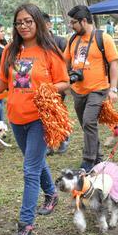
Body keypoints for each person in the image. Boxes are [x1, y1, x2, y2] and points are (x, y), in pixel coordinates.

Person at [0, 4, 69, 235]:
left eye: (29, 21)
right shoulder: (10, 49)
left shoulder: (49, 50)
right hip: (16, 117)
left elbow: (64, 82)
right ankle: (51, 193)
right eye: (19, 23)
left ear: (37, 21)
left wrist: (48, 89)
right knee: (34, 161)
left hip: (40, 117)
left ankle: (25, 226)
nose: (24, 26)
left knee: (29, 169)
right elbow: (3, 82)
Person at [65, 5, 118, 171]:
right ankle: (97, 158)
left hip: (98, 88)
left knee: (89, 121)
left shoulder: (103, 38)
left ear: (83, 21)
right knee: (86, 125)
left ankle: (88, 161)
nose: (71, 25)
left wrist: (113, 88)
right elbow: (66, 61)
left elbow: (114, 64)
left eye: (74, 22)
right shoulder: (73, 39)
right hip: (78, 90)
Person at [42, 12, 69, 154]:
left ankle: (63, 138)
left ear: (48, 25)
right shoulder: (35, 44)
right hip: (40, 89)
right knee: (45, 116)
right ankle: (50, 144)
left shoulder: (60, 41)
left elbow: (67, 63)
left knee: (58, 114)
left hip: (58, 87)